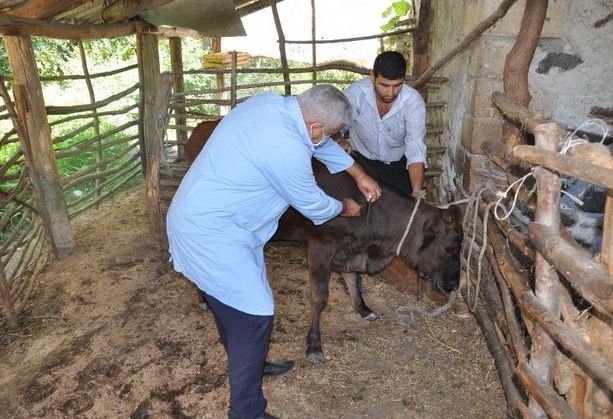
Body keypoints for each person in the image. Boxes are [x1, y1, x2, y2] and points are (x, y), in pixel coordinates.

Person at [166, 84, 381, 419]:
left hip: (217, 220)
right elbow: (314, 205)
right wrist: (345, 207)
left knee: (230, 304)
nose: (336, 139)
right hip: (212, 233)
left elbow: (318, 145)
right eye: (333, 133)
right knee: (255, 314)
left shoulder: (272, 105)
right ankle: (247, 411)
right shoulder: (286, 149)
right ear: (314, 127)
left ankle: (248, 363)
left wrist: (358, 172)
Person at [338, 50, 427, 197]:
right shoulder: (356, 94)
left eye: (397, 85)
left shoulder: (413, 103)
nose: (391, 93)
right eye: (384, 85)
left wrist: (417, 191)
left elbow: (415, 150)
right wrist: (338, 138)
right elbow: (337, 125)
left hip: (396, 166)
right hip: (360, 161)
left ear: (404, 79)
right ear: (372, 76)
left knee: (401, 213)